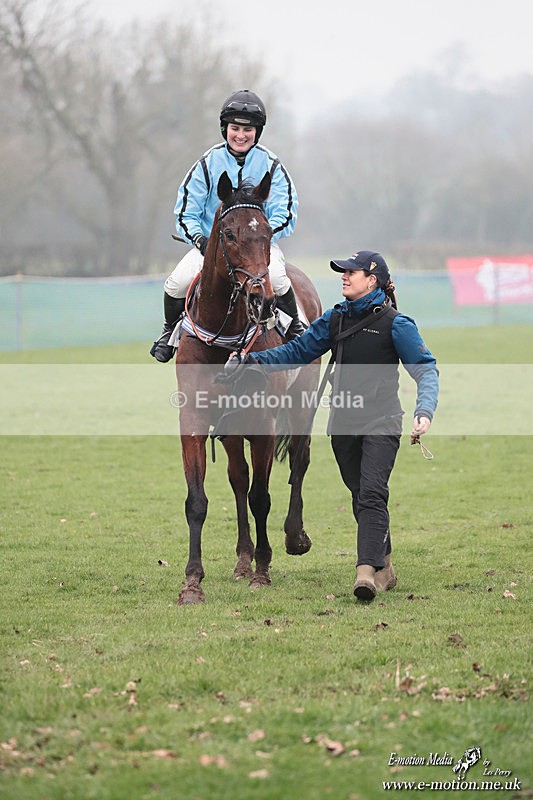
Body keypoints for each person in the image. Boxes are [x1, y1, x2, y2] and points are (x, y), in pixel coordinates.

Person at [229, 250, 439, 602]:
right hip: (342, 424)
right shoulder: (335, 319)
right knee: (361, 495)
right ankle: (386, 565)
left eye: (351, 272)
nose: (344, 276)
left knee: (371, 493)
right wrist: (252, 360)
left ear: (371, 280)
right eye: (343, 271)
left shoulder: (396, 324)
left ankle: (366, 573)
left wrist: (425, 410)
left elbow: (425, 368)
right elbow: (297, 351)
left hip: (382, 421)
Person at [150, 89, 304, 362]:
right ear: (225, 129)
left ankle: (295, 329)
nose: (240, 135)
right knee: (176, 283)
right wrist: (201, 241)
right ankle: (169, 331)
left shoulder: (272, 165)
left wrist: (259, 238)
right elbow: (186, 211)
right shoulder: (207, 163)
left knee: (279, 279)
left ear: (257, 132)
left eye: (248, 129)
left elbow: (286, 210)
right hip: (212, 247)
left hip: (258, 247)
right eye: (235, 128)